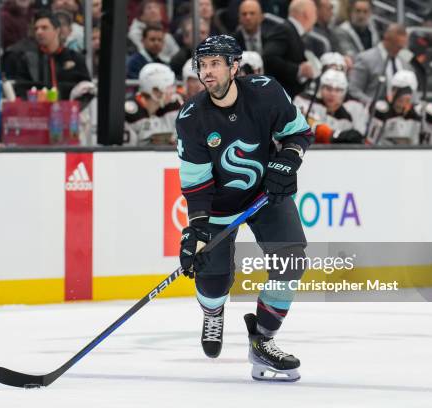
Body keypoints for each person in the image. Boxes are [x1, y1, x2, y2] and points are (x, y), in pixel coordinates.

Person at [176, 35, 313, 381]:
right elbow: (196, 184)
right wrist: (197, 228)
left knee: (292, 260)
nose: (207, 73)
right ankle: (213, 312)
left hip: (264, 196)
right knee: (213, 279)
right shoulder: (192, 118)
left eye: (215, 64)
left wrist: (287, 161)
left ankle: (262, 342)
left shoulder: (266, 92)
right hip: (220, 206)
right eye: (202, 66)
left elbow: (299, 133)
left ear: (234, 66)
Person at [2, 10, 91, 98]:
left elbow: (87, 88)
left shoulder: (75, 58)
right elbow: (20, 89)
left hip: (70, 109)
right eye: (36, 29)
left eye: (44, 28)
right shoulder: (27, 59)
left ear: (57, 30)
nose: (39, 32)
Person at [262, 0, 318, 98]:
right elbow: (269, 58)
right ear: (307, 14)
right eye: (315, 12)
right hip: (277, 97)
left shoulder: (293, 31)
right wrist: (299, 70)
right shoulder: (285, 29)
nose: (316, 18)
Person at [294, 69, 366, 143]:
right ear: (321, 88)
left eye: (338, 90)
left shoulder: (353, 110)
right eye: (328, 88)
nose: (332, 94)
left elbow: (359, 137)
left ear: (344, 93)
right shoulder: (305, 101)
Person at [348, 24, 410, 105]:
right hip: (370, 111)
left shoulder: (405, 63)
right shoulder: (366, 59)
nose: (399, 50)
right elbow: (353, 90)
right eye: (397, 46)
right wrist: (373, 105)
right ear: (387, 38)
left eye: (401, 47)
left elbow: (411, 92)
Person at [124, 63, 182, 146]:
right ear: (156, 92)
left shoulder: (174, 106)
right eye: (169, 87)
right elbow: (125, 153)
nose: (173, 91)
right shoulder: (131, 115)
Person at [368, 70, 421, 145]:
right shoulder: (380, 110)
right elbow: (370, 142)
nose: (404, 100)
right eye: (394, 89)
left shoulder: (415, 114)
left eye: (406, 93)